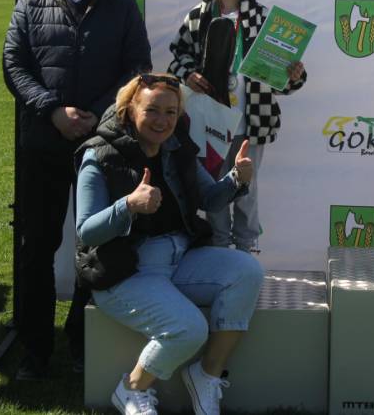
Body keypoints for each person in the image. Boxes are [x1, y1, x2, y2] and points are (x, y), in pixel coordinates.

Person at [3, 0, 152, 379]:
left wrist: (97, 116)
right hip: (42, 144)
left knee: (99, 247)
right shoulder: (30, 2)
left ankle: (83, 340)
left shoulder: (123, 7)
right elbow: (14, 64)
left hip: (101, 147)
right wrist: (53, 111)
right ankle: (34, 348)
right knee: (36, 247)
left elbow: (137, 69)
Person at [75, 73, 263, 415]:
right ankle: (132, 388)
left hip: (178, 260)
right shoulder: (99, 154)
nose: (162, 121)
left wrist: (237, 178)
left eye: (171, 112)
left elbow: (210, 198)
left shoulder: (178, 147)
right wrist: (128, 205)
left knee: (247, 271)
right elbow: (86, 231)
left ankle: (206, 374)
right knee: (189, 329)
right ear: (131, 109)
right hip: (124, 273)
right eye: (152, 110)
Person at [169, 0, 306, 253]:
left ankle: (246, 250)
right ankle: (218, 248)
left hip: (252, 121)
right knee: (215, 185)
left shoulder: (264, 18)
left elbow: (282, 80)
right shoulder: (197, 16)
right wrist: (188, 74)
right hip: (209, 120)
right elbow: (177, 57)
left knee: (246, 188)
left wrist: (293, 75)